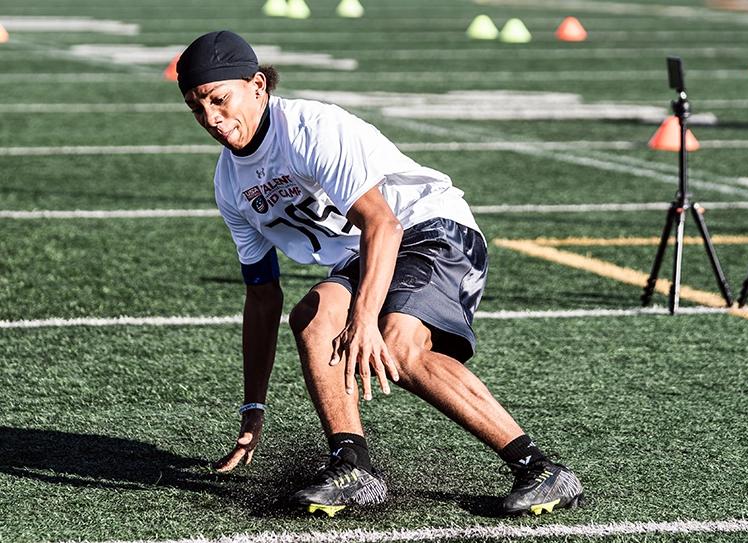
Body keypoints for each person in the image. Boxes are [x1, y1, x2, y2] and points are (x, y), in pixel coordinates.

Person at [177, 30, 583, 517]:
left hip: (430, 227)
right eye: (197, 108)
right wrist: (253, 408)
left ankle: (542, 470)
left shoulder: (311, 128)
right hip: (366, 250)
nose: (211, 119)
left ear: (258, 86)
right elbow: (262, 297)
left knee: (397, 343)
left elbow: (383, 224)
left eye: (219, 99)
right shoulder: (229, 182)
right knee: (313, 318)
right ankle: (354, 468)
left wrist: (365, 320)